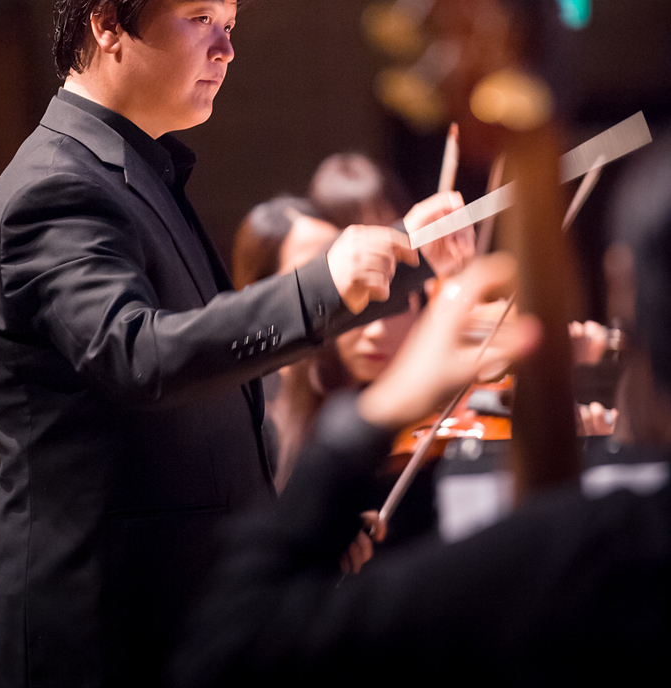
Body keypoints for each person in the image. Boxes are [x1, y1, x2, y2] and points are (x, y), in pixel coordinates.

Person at [0, 0, 463, 688]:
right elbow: (141, 357)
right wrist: (324, 281)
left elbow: (210, 407)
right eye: (201, 19)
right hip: (111, 629)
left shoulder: (134, 170)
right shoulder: (56, 188)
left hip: (179, 611)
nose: (227, 49)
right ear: (108, 23)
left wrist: (294, 536)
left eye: (229, 25)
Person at [171, 135, 671, 687]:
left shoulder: (590, 548)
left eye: (398, 298)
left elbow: (230, 648)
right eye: (353, 300)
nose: (374, 326)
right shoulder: (244, 426)